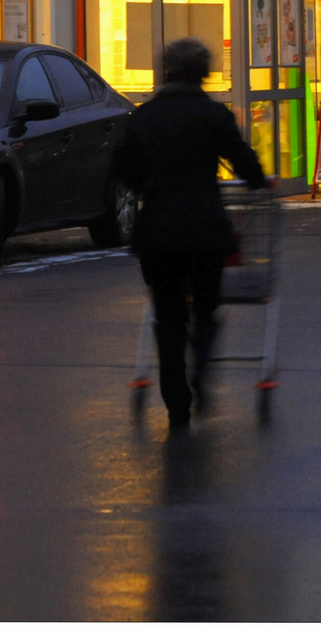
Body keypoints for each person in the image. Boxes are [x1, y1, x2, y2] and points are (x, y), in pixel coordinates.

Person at [113, 37, 267, 429]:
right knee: (205, 309)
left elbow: (126, 173)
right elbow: (244, 164)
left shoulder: (143, 118)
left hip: (158, 231)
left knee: (167, 317)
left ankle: (176, 403)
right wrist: (261, 182)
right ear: (204, 73)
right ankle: (200, 369)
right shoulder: (212, 115)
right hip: (204, 228)